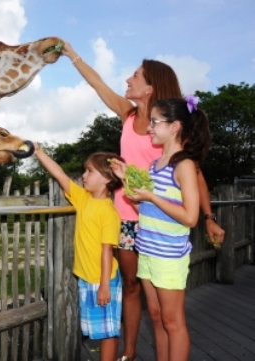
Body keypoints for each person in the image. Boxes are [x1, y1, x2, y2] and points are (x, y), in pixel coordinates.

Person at [61, 41, 225, 361]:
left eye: (135, 75)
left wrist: (208, 217)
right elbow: (97, 83)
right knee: (132, 286)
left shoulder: (170, 130)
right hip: (126, 214)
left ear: (150, 87)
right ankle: (130, 351)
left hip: (157, 220)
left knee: (162, 307)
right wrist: (71, 54)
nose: (127, 79)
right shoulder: (128, 114)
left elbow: (195, 176)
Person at [110, 96, 211, 360]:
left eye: (155, 122)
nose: (150, 127)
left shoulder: (184, 165)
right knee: (156, 317)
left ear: (175, 126)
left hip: (168, 256)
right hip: (148, 251)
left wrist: (153, 197)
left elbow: (190, 217)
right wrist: (127, 181)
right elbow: (146, 211)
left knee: (173, 322)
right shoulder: (155, 166)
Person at [33, 145, 124, 361]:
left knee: (108, 332)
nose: (83, 175)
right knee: (99, 327)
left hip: (104, 280)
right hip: (87, 278)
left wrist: (103, 286)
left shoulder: (109, 213)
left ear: (107, 179)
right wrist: (38, 152)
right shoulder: (83, 199)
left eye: (90, 171)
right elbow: (59, 174)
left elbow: (106, 251)